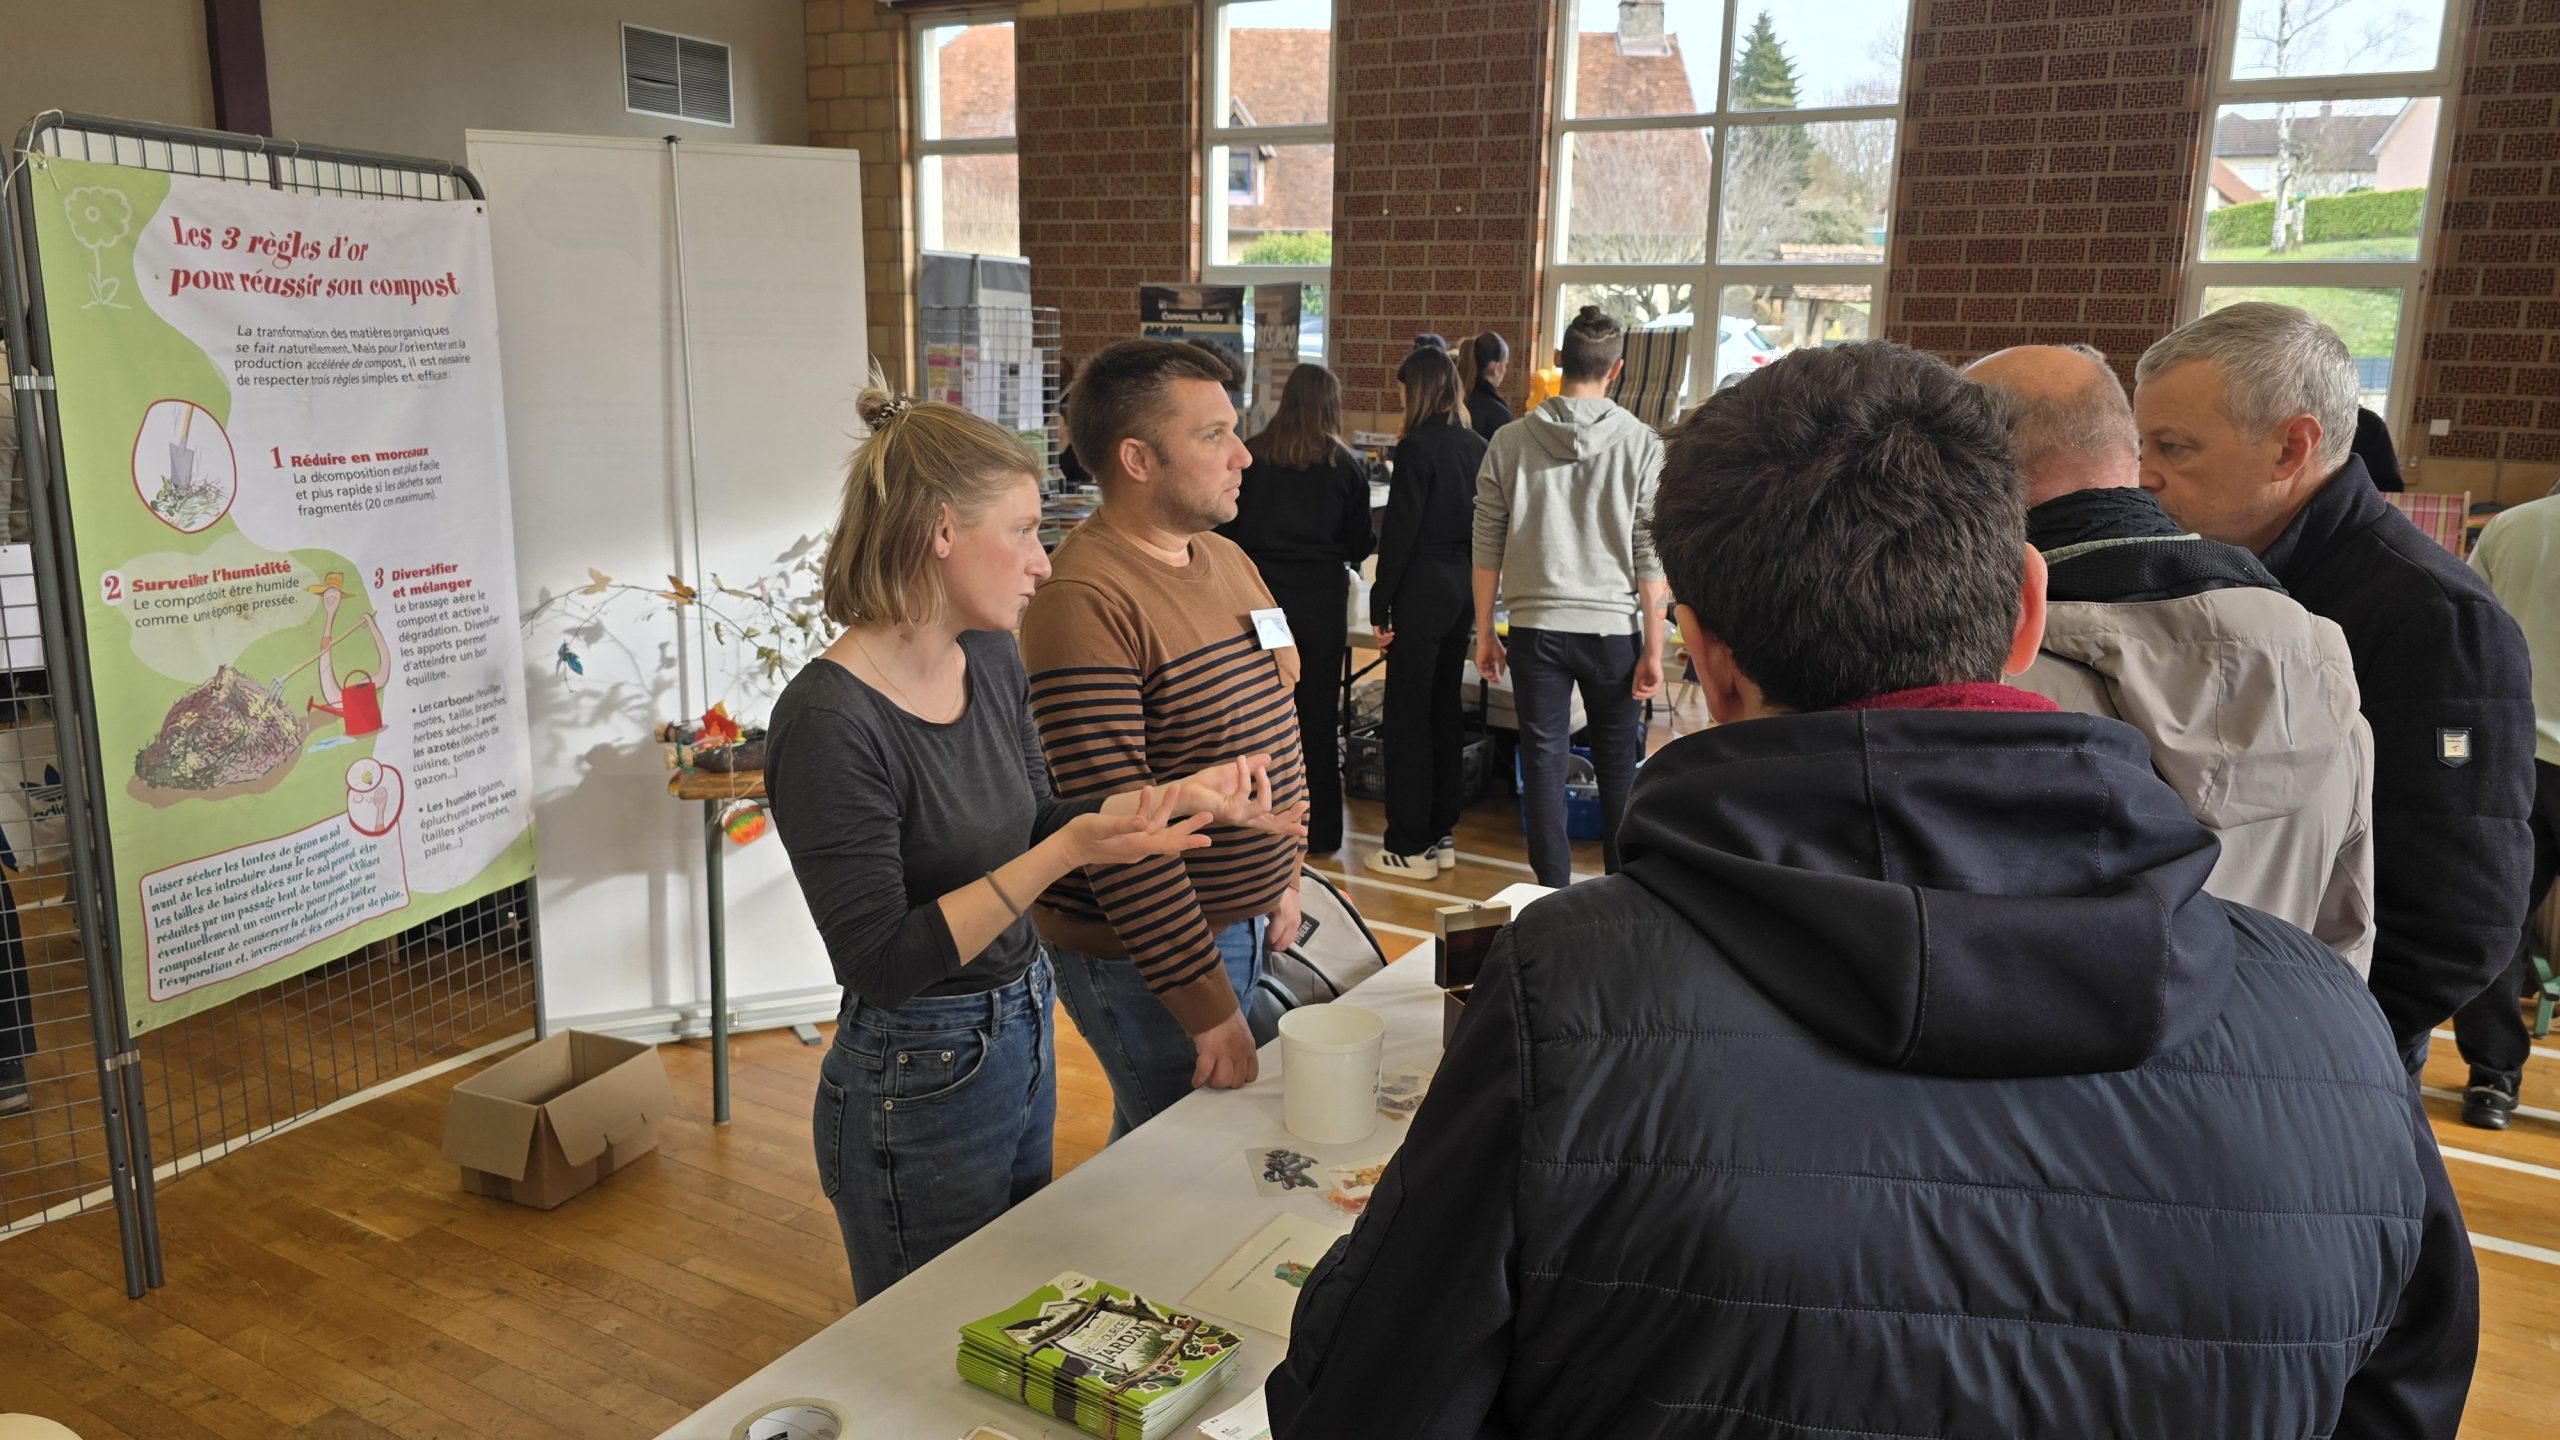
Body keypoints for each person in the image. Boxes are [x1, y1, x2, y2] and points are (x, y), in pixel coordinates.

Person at [1268, 342, 2476, 1440]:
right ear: (2022, 613)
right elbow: (2404, 1394)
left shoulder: (1570, 996)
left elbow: (1361, 1403)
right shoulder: (2331, 1025)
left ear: (1709, 659)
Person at [763, 384, 1300, 1298]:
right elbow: (883, 962)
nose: (1043, 565)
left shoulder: (989, 655)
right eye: (1020, 532)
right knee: (927, 1332)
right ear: (940, 531)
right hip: (915, 1069)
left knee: (1010, 1305)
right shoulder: (828, 720)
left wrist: (1174, 799)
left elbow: (1042, 815)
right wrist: (1069, 853)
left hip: (1019, 1027)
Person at [2135, 302, 2535, 1071]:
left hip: (2307, 1052)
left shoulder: (2435, 619)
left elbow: (2458, 918)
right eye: (2141, 444)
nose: (2145, 474)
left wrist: (2299, 1043)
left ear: (2292, 446)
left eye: (2174, 447)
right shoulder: (2217, 573)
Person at [1966, 344, 2374, 969]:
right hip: (2273, 1052)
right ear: (2126, 452)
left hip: (2068, 1066)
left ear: (1966, 468)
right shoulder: (2324, 675)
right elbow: (2345, 945)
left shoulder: (1989, 687)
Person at [1021, 339, 1317, 1137]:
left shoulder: (1225, 558)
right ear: (1137, 459)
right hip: (1148, 954)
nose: (1244, 455)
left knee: (1171, 1151)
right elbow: (1124, 834)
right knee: (1190, 1153)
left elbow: (1278, 721)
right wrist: (1206, 1007)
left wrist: (1285, 872)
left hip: (1243, 922)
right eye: (1214, 435)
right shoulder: (1083, 600)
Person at [1472, 304, 1667, 887]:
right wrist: (1654, 646)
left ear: (1558, 362)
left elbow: (1486, 543)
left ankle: (1549, 893)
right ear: (1618, 368)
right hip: (1613, 632)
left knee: (1544, 762)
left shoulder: (1509, 441)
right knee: (1617, 769)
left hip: (1536, 629)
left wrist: (1484, 630)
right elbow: (1649, 555)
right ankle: (1621, 890)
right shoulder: (1642, 444)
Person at [1219, 363, 1374, 855]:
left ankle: (1258, 827)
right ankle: (1323, 833)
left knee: (1262, 712)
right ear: (1331, 404)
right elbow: (1361, 541)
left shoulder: (1254, 457)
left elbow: (1228, 530)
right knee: (1317, 717)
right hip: (1322, 604)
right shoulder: (1345, 466)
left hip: (1263, 602)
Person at [2451, 494, 2560, 1126]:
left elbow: (2472, 631)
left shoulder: (2512, 527)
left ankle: (2491, 1078)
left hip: (2517, 757)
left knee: (2501, 921)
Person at [1367, 345, 1487, 877]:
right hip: (1463, 586)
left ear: (1415, 390)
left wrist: (1380, 602)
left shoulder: (1416, 448)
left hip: (1422, 585)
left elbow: (1399, 532)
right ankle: (1440, 833)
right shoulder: (1477, 445)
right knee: (1443, 711)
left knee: (1406, 718)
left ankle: (1407, 845)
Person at [1455, 330, 1513, 442]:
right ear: (1497, 368)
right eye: (1505, 364)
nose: (1505, 370)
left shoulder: (1452, 400)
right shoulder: (1499, 414)